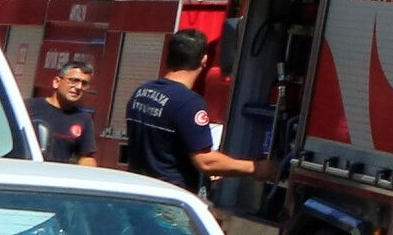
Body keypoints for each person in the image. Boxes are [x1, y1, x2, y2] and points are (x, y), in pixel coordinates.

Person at [124, 30, 254, 197]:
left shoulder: (141, 92)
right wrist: (255, 168)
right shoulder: (189, 103)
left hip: (136, 192)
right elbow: (205, 161)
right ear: (204, 60)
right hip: (168, 198)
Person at [28, 58, 94, 165]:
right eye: (74, 80)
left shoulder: (83, 118)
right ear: (56, 82)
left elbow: (86, 157)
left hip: (57, 173)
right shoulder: (29, 107)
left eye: (84, 83)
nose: (79, 87)